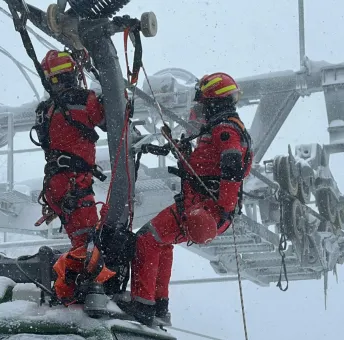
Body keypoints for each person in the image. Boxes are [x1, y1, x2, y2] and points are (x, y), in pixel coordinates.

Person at [116, 72, 253, 325]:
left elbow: (231, 168)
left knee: (147, 238)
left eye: (202, 102)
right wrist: (182, 151)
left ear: (213, 101)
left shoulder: (224, 129)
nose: (199, 108)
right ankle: (158, 306)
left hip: (204, 208)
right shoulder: (222, 128)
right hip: (199, 207)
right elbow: (208, 166)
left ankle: (143, 304)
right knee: (162, 242)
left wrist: (220, 209)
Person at [31, 49, 115, 304]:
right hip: (74, 183)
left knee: (83, 240)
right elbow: (109, 118)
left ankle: (78, 289)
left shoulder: (46, 109)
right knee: (87, 244)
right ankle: (73, 295)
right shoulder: (84, 100)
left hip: (55, 184)